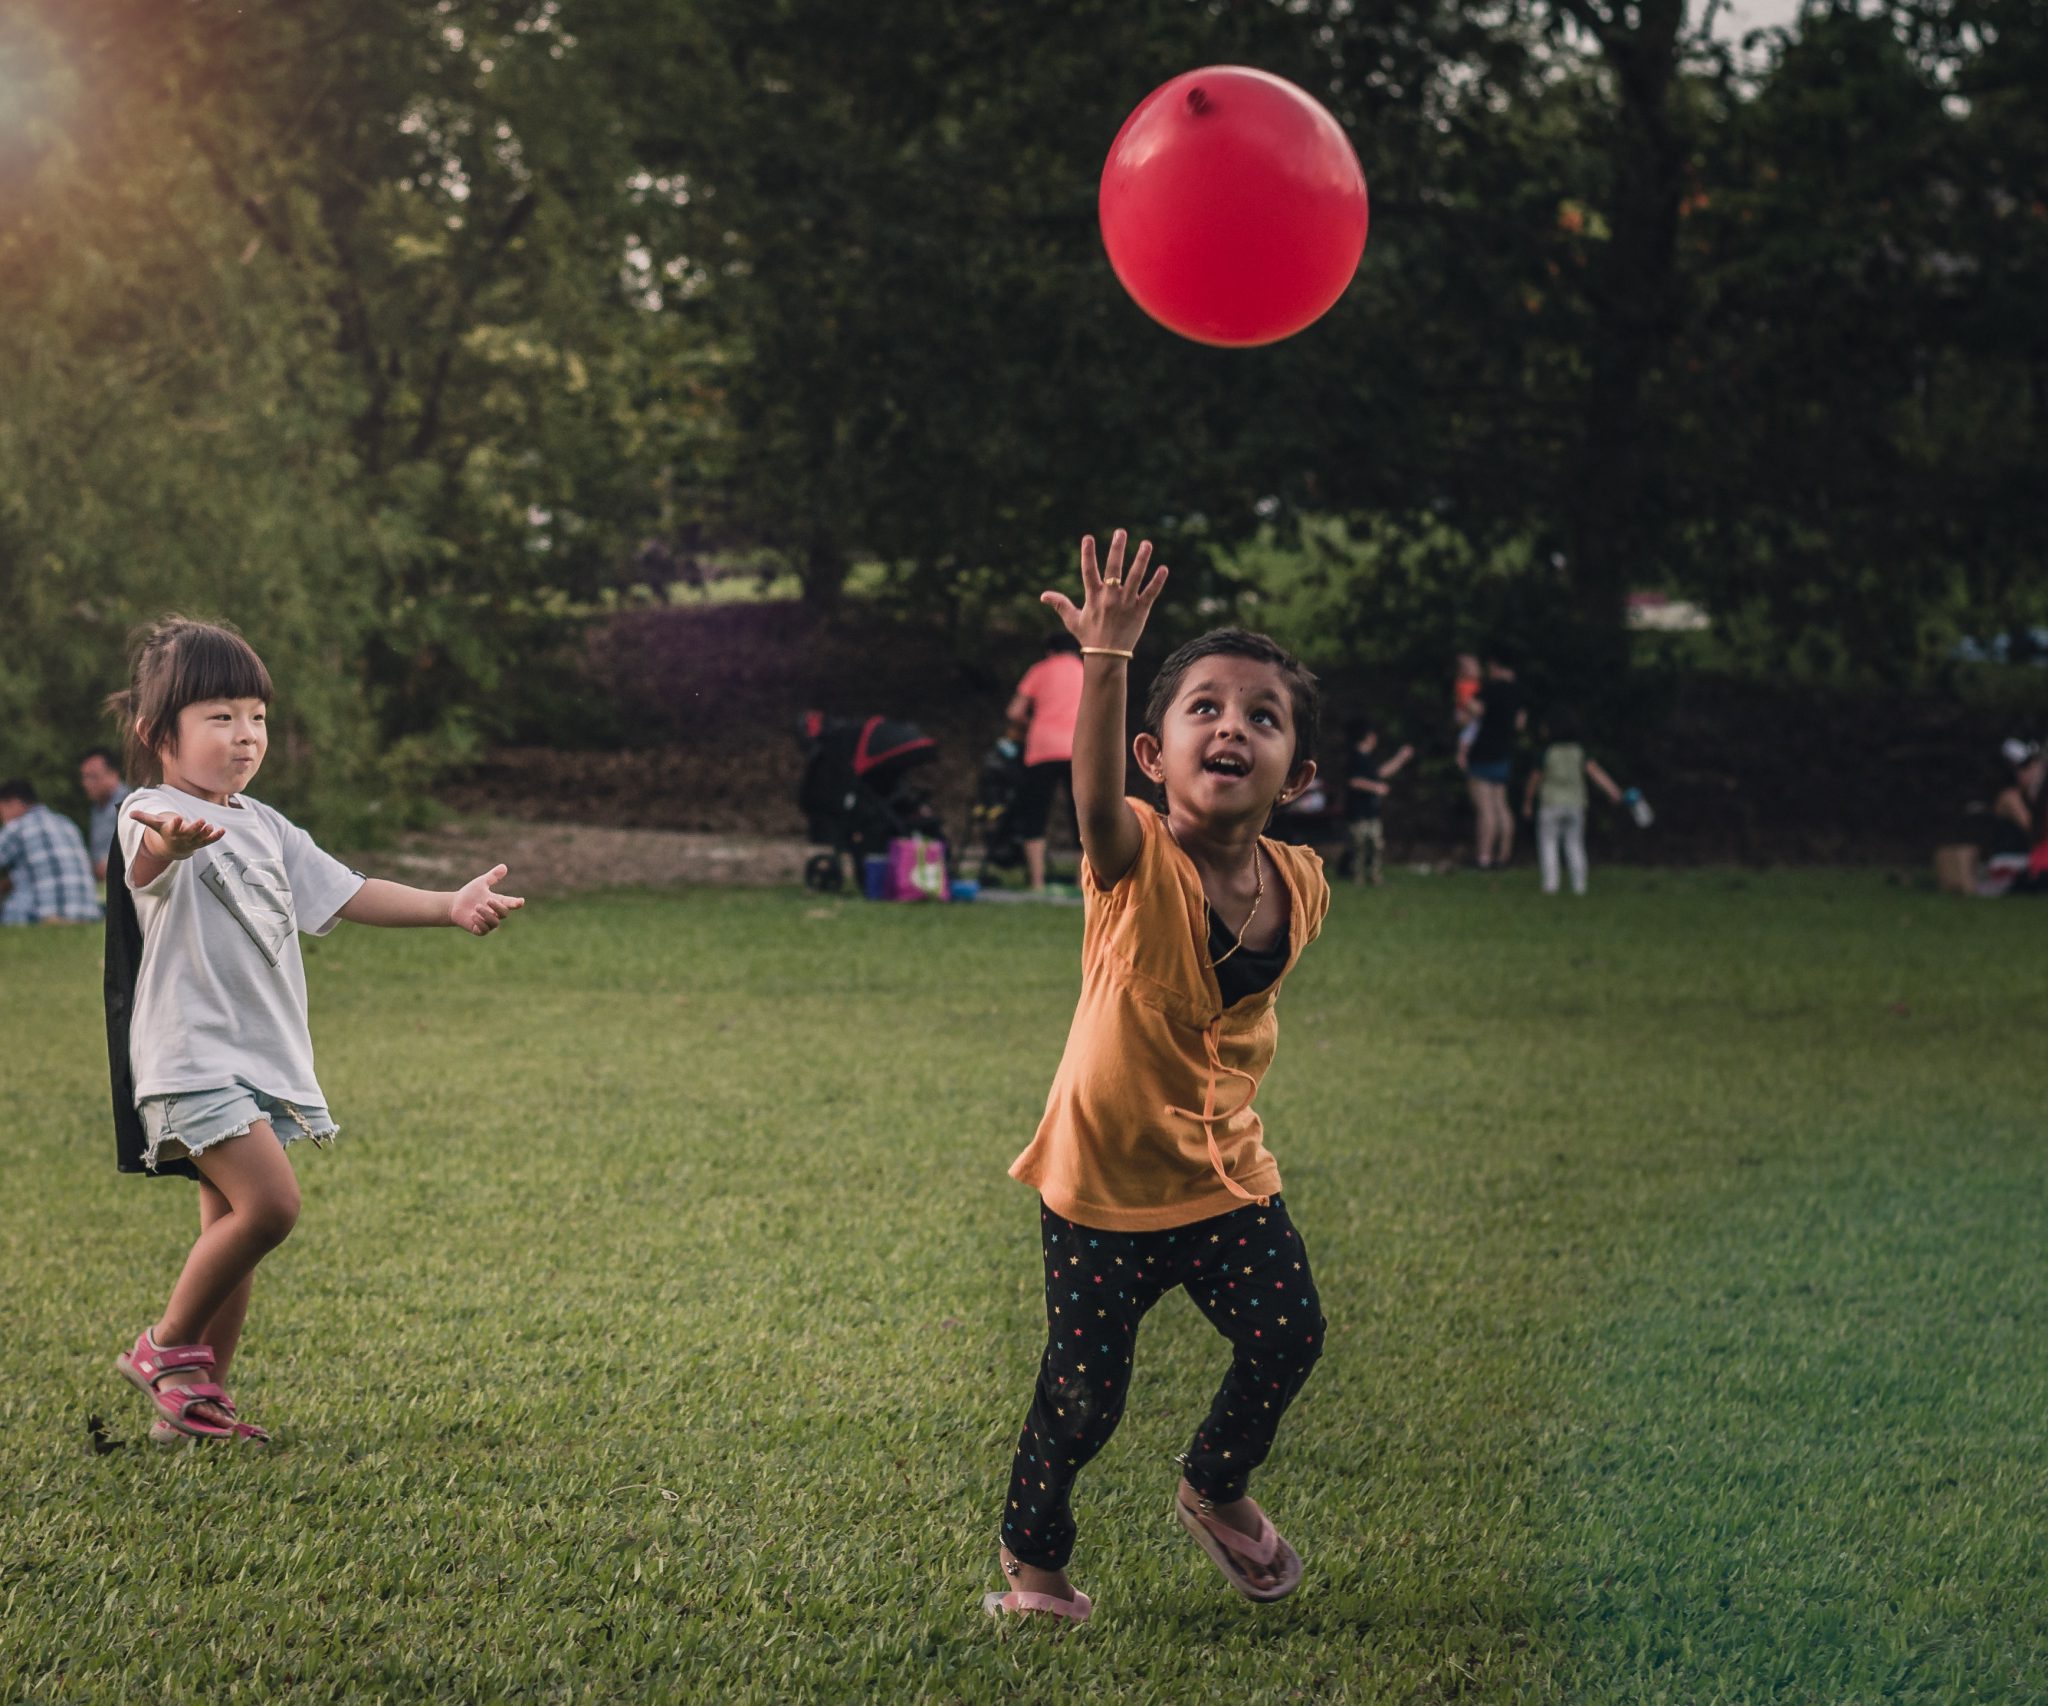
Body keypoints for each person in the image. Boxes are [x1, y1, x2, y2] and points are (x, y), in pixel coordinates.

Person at [989, 529, 1332, 1623]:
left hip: (1222, 1171)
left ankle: (1213, 1483)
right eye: (1205, 710)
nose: (1232, 725)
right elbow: (1087, 805)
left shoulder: (1302, 882)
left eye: (1262, 716)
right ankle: (1035, 1571)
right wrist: (1106, 656)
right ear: (1151, 756)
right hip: (1101, 1188)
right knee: (1084, 1400)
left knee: (1290, 1330)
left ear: (1299, 772)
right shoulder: (1131, 858)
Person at [105, 616, 524, 1447]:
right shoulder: (151, 809)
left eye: (256, 715)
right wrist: (169, 841)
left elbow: (347, 891)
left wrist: (448, 905)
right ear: (160, 734)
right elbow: (144, 861)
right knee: (270, 1206)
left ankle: (194, 1407)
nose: (245, 735)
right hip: (190, 1056)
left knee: (232, 1224)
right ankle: (162, 1349)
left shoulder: (264, 824)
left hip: (257, 1058)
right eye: (219, 716)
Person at [1006, 632, 1086, 892]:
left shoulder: (1040, 670)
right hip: (1077, 747)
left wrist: (1033, 723)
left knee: (1036, 813)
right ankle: (1082, 882)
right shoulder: (1085, 671)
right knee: (1081, 816)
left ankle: (1037, 882)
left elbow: (1014, 712)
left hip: (1042, 747)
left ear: (1050, 651)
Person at [1521, 716, 1625, 895]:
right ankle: (1579, 885)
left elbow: (1534, 779)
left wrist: (1528, 802)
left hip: (1550, 804)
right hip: (1575, 805)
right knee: (1574, 844)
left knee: (1548, 843)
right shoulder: (1579, 751)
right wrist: (1614, 791)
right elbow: (1595, 773)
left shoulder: (1546, 752)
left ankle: (1550, 884)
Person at [0, 779, 103, 925]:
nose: (3, 820)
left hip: (43, 917)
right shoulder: (67, 824)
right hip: (87, 914)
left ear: (14, 803)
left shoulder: (17, 828)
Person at [1465, 652, 1525, 869]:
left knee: (1485, 808)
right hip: (1504, 753)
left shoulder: (1491, 689)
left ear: (1496, 667)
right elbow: (1520, 723)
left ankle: (1483, 857)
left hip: (1483, 753)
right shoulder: (1518, 692)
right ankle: (1504, 855)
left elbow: (1473, 708)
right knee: (1502, 806)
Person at [1342, 717, 1413, 887]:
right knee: (1358, 845)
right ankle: (1357, 876)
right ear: (1368, 736)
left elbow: (1381, 772)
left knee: (1376, 844)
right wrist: (1376, 788)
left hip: (1371, 811)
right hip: (1357, 812)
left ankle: (1374, 875)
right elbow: (1354, 781)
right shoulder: (1355, 757)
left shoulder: (1368, 759)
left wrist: (1401, 758)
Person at [80, 745, 132, 880]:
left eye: (92, 777)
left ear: (113, 774)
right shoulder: (97, 808)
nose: (86, 783)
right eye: (84, 777)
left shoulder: (130, 803)